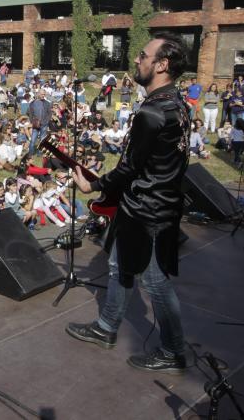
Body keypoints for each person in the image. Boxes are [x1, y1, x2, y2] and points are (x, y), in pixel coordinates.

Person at [66, 32, 191, 374]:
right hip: (150, 204)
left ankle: (172, 351)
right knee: (118, 267)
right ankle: (106, 328)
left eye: (143, 55)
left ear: (162, 64)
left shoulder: (153, 112)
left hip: (148, 211)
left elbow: (130, 166)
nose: (137, 59)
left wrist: (94, 186)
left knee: (154, 282)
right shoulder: (177, 104)